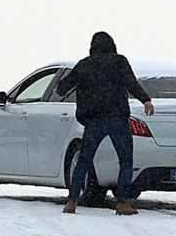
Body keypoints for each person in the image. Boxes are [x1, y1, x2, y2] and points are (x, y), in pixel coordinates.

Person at [57, 31, 154, 216]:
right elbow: (131, 83)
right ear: (112, 45)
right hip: (118, 118)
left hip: (94, 120)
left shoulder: (84, 65)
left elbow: (62, 88)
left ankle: (72, 201)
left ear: (92, 47)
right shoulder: (119, 62)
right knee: (125, 161)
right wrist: (146, 100)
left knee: (84, 160)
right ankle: (123, 203)